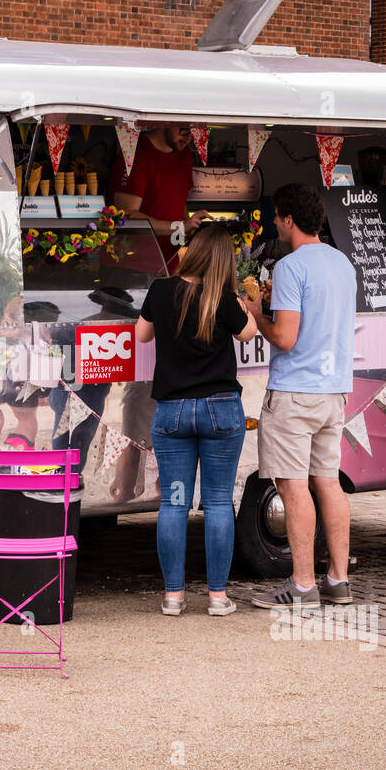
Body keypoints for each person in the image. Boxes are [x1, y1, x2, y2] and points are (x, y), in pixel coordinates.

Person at [241, 182, 357, 610]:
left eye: (276, 217)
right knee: (328, 484)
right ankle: (338, 581)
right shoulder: (343, 263)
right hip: (333, 391)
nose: (274, 223)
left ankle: (303, 585)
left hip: (294, 392)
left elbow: (286, 339)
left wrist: (257, 313)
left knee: (293, 489)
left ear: (289, 220)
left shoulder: (290, 267)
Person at [135, 225, 258, 616]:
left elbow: (141, 336)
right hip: (220, 410)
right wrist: (242, 300)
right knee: (219, 501)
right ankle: (218, 598)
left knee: (174, 503)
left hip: (172, 412)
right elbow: (249, 333)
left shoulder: (161, 290)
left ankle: (173, 596)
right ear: (223, 260)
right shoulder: (223, 298)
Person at [110, 122, 210, 272]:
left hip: (170, 265)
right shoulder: (136, 153)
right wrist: (180, 227)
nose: (188, 136)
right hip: (131, 268)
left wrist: (191, 228)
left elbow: (178, 201)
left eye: (194, 130)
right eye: (184, 128)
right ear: (164, 121)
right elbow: (126, 217)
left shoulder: (184, 154)